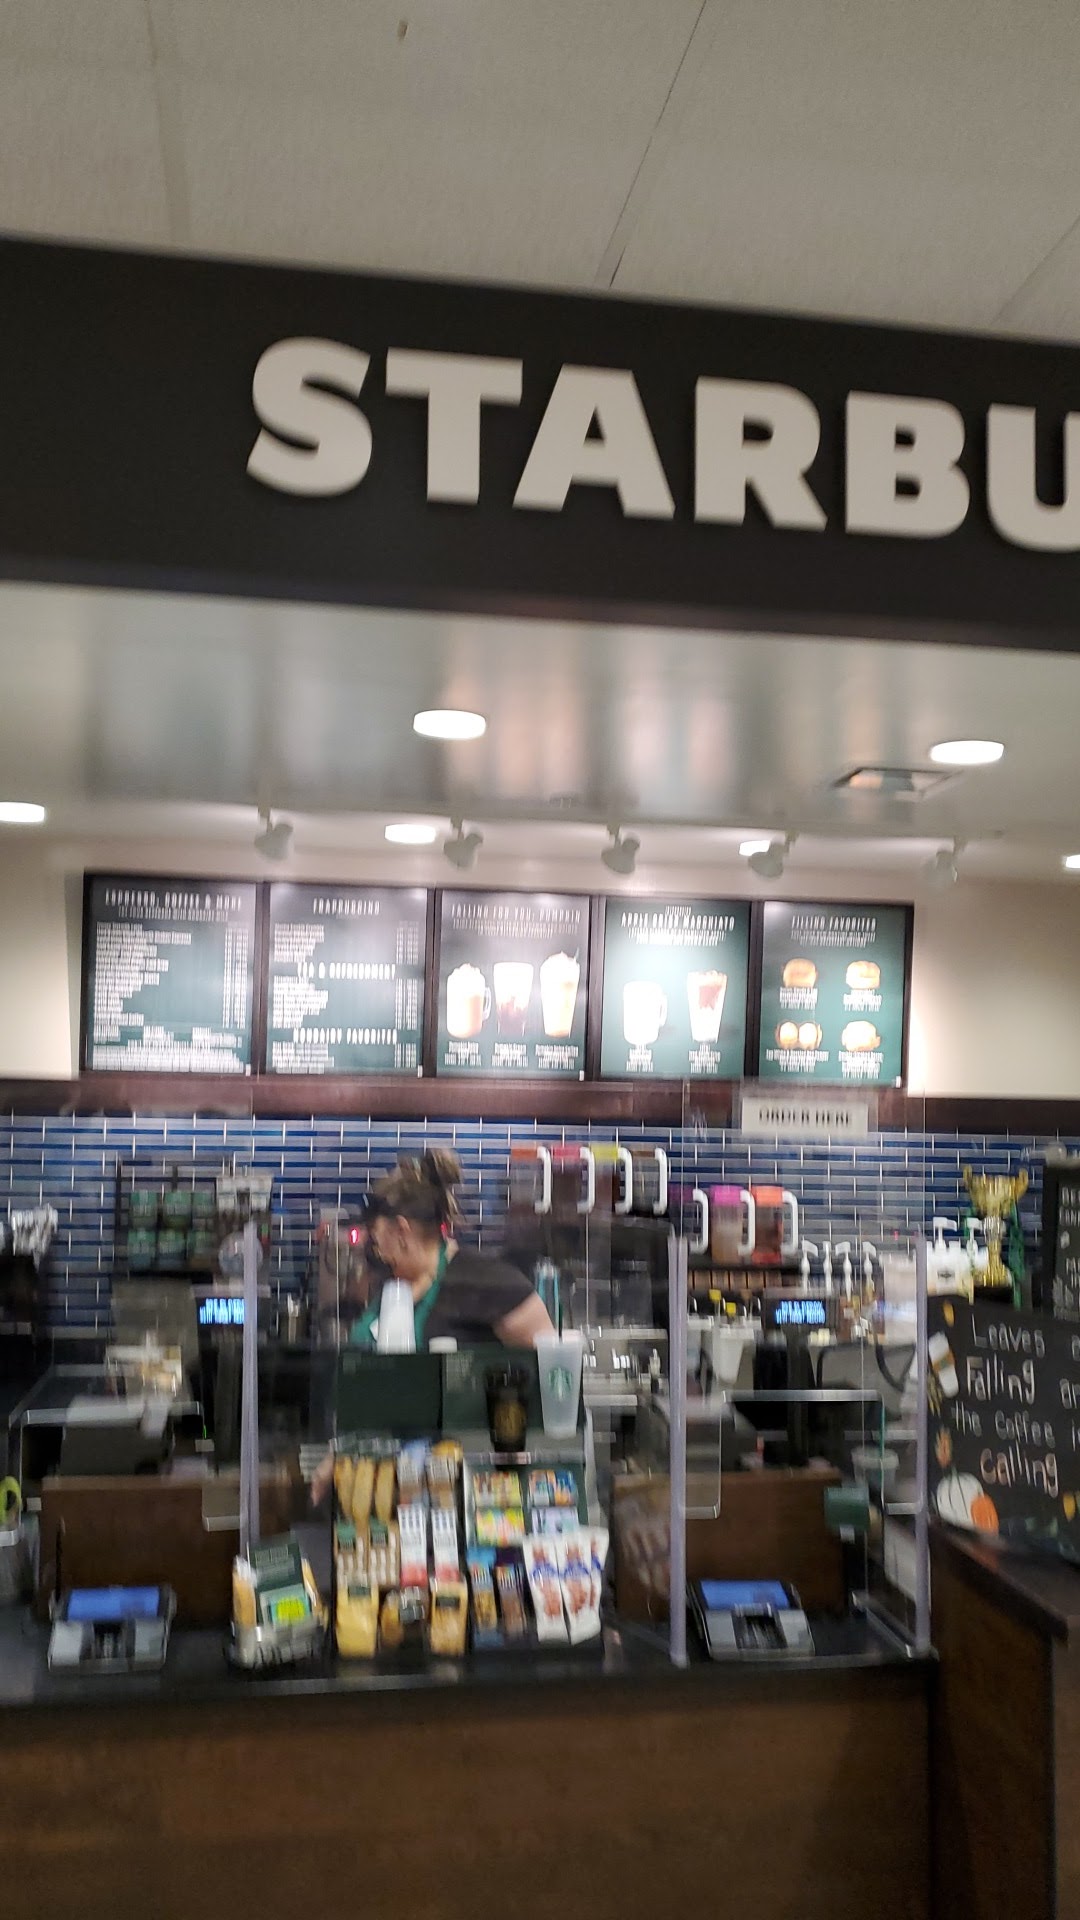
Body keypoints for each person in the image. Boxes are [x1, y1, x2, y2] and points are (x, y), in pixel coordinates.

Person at [311, 1149, 554, 1503]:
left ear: (402, 1230)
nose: (375, 1251)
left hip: (457, 1491)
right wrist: (338, 1454)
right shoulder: (390, 1288)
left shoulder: (484, 1283)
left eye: (377, 1239)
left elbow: (551, 1375)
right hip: (375, 1482)